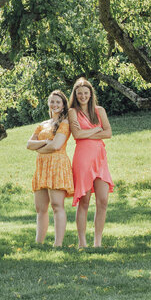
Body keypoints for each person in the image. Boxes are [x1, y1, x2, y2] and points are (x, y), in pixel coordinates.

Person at [68, 77, 114, 249]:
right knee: (84, 201)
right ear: (75, 94)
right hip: (83, 159)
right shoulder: (72, 112)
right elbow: (77, 135)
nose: (83, 96)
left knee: (103, 200)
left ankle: (98, 243)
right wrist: (96, 129)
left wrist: (89, 132)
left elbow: (108, 133)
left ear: (90, 94)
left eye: (85, 93)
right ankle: (82, 242)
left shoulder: (99, 110)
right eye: (79, 93)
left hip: (100, 159)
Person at [26, 90, 74, 246]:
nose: (55, 105)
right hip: (41, 166)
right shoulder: (43, 124)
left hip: (57, 165)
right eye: (52, 101)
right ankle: (38, 243)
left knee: (56, 205)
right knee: (40, 208)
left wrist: (40, 147)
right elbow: (28, 144)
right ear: (48, 103)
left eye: (58, 102)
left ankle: (57, 244)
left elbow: (57, 145)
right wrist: (46, 143)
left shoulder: (64, 122)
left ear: (63, 105)